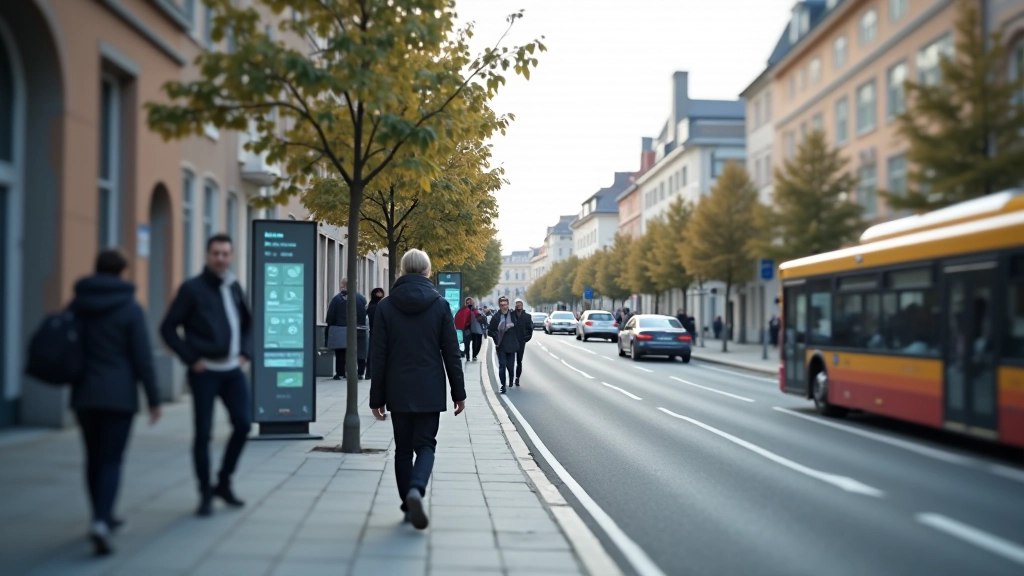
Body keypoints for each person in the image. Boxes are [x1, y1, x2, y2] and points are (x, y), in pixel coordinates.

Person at [71, 249, 161, 556]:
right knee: (111, 459)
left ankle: (101, 514)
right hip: (119, 396)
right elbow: (142, 357)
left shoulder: (78, 304)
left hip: (85, 394)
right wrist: (153, 398)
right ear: (122, 273)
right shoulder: (130, 308)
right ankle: (101, 520)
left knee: (93, 458)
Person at [370, 249, 466, 530]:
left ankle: (407, 505)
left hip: (397, 387)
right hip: (429, 386)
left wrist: (377, 397)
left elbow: (378, 355)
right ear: (427, 271)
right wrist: (458, 393)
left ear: (401, 270)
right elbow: (451, 352)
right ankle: (416, 490)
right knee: (425, 445)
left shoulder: (386, 306)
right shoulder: (439, 305)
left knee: (402, 449)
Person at [161, 234, 252, 517]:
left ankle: (223, 482)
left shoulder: (234, 286)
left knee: (243, 425)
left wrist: (245, 353)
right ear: (207, 255)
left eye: (226, 253)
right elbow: (168, 328)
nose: (221, 258)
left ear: (231, 256)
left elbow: (248, 324)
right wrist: (191, 358)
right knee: (203, 433)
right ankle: (204, 493)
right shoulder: (192, 289)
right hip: (205, 373)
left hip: (233, 372)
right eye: (216, 253)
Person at [326, 278, 368, 379]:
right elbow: (364, 313)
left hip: (340, 328)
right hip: (359, 328)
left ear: (344, 285)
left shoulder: (336, 299)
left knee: (341, 352)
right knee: (359, 351)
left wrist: (331, 324)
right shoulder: (362, 298)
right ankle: (360, 373)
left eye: (341, 284)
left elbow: (330, 315)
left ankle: (340, 373)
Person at [488, 296, 519, 394]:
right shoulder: (496, 317)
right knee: (502, 365)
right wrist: (496, 337)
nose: (504, 307)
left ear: (508, 304)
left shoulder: (513, 315)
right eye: (502, 305)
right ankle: (502, 385)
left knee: (510, 366)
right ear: (499, 305)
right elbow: (490, 331)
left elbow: (520, 327)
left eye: (505, 304)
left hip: (512, 344)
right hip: (501, 345)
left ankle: (511, 378)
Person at [512, 298, 534, 386]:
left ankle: (517, 377)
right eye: (517, 304)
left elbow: (530, 328)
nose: (519, 306)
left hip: (521, 341)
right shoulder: (511, 315)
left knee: (519, 360)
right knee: (510, 360)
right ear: (515, 305)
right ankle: (510, 376)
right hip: (511, 340)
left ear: (522, 305)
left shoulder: (527, 316)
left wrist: (526, 338)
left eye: (520, 304)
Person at [365, 287, 385, 377]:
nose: (380, 294)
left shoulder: (372, 305)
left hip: (373, 331)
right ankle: (370, 372)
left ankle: (369, 372)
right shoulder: (378, 305)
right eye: (378, 292)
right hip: (376, 331)